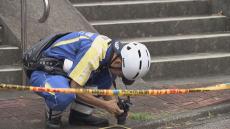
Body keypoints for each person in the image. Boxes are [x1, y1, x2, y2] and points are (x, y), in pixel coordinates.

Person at [25, 31, 151, 129]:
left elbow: (104, 88)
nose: (119, 77)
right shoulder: (93, 52)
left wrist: (116, 106)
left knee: (106, 76)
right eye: (121, 74)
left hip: (65, 70)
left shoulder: (112, 52)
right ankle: (53, 117)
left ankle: (80, 116)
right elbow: (75, 89)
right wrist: (105, 105)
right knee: (64, 94)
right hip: (43, 71)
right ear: (118, 62)